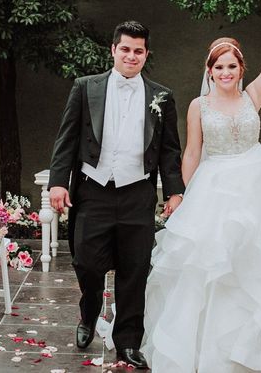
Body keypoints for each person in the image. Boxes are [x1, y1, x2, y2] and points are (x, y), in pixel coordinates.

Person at [141, 2, 261, 372]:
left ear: (240, 69)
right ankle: (209, 349)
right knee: (211, 267)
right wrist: (186, 198)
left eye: (231, 66)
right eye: (218, 66)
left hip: (255, 192)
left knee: (255, 266)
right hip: (213, 191)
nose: (225, 72)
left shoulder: (253, 96)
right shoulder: (198, 106)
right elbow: (191, 153)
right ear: (210, 71)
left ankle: (252, 344)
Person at [48, 20, 186, 369]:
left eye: (138, 51)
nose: (131, 55)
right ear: (113, 50)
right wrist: (58, 182)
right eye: (125, 49)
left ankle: (127, 342)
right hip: (93, 189)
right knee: (86, 262)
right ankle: (89, 311)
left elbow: (170, 150)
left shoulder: (161, 96)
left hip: (138, 191)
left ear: (146, 54)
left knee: (134, 269)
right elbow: (67, 139)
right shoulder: (85, 88)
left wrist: (174, 192)